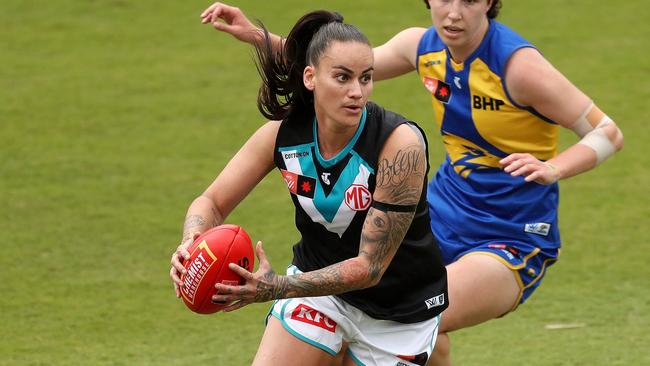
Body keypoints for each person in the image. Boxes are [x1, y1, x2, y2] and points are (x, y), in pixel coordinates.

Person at [198, 1, 625, 365]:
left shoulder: (519, 67)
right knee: (411, 320)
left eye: (470, 1)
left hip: (510, 235)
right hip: (442, 213)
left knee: (410, 312)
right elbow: (339, 66)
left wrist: (555, 168)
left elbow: (607, 133)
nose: (453, 12)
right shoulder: (422, 46)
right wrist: (256, 35)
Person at [170, 10, 449, 366]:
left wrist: (276, 288)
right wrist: (191, 239)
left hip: (397, 313)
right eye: (343, 78)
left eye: (365, 78)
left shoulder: (399, 146)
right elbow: (211, 201)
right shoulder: (283, 135)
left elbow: (369, 268)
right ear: (310, 77)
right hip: (319, 292)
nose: (356, 92)